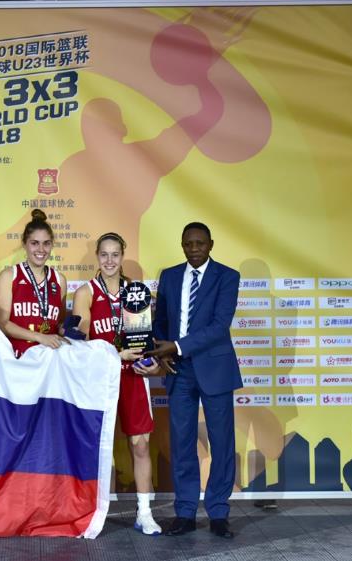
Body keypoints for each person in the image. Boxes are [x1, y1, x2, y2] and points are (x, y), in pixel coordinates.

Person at [147, 222, 241, 539]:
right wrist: (164, 351)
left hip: (215, 369)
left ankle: (218, 513)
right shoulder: (170, 276)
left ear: (211, 244)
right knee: (182, 443)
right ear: (182, 245)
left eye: (200, 243)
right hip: (179, 371)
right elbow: (161, 320)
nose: (194, 248)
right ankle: (185, 512)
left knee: (222, 443)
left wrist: (176, 346)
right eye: (189, 243)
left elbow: (219, 326)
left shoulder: (227, 277)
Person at [71, 232, 161, 536]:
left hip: (133, 375)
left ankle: (144, 513)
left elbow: (144, 340)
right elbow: (81, 342)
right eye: (104, 254)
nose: (109, 261)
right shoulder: (86, 293)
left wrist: (150, 361)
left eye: (115, 254)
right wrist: (114, 353)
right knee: (94, 448)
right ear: (97, 256)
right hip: (100, 378)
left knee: (140, 444)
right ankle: (88, 512)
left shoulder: (135, 292)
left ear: (122, 256)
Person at [0, 209, 67, 357]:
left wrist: (68, 330)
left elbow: (59, 323)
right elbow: (2, 323)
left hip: (50, 359)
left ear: (52, 245)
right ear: (24, 244)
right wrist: (39, 337)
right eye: (34, 243)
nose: (41, 249)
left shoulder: (59, 280)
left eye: (46, 243)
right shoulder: (9, 276)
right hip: (17, 358)